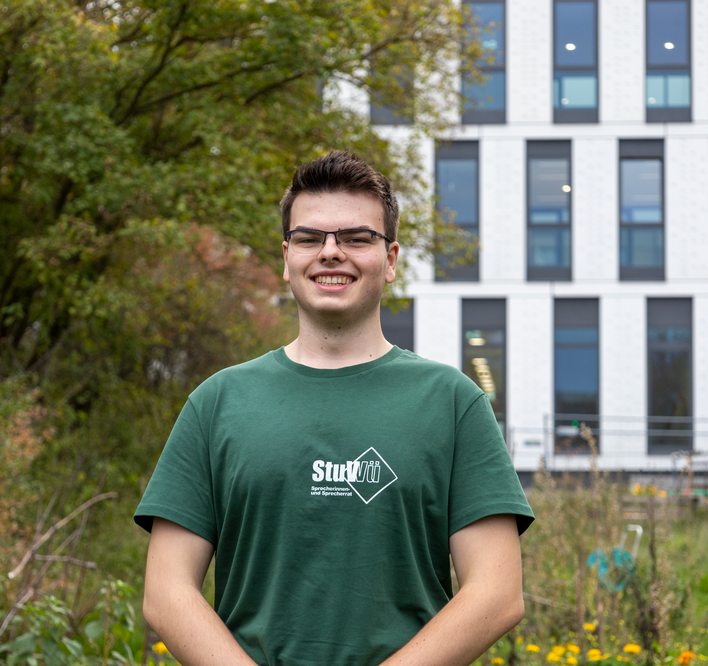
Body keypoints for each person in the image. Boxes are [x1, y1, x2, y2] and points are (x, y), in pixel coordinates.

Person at [134, 150, 534, 666]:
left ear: (390, 260)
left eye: (356, 238)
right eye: (309, 238)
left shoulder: (453, 403)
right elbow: (166, 592)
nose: (330, 252)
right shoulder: (216, 403)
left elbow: (497, 593)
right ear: (286, 258)